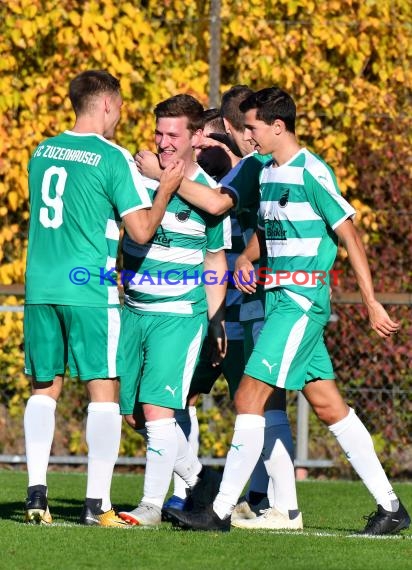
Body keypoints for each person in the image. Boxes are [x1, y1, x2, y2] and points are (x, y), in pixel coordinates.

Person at [166, 87, 411, 535]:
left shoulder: (312, 171)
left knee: (248, 396)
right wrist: (246, 257)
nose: (249, 136)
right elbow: (269, 225)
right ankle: (391, 507)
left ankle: (218, 511)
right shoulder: (269, 171)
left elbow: (349, 235)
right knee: (327, 404)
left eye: (254, 128)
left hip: (299, 303)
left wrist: (371, 300)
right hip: (280, 299)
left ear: (278, 127)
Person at [23, 70, 184, 527]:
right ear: (107, 105)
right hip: (90, 288)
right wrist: (166, 190)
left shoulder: (41, 151)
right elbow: (141, 230)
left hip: (39, 287)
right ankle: (98, 506)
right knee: (105, 393)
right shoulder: (111, 158)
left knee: (44, 389)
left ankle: (37, 497)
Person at [139, 87, 301, 529]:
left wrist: (164, 175)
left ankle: (266, 500)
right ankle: (195, 488)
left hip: (242, 307)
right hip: (216, 306)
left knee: (261, 402)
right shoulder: (241, 164)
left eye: (249, 129)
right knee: (172, 402)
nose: (248, 137)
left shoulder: (248, 167)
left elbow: (220, 204)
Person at [116, 94, 231, 526]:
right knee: (131, 413)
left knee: (159, 410)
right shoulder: (133, 173)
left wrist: (215, 318)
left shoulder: (209, 192)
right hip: (132, 311)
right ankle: (202, 479)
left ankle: (150, 506)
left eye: (173, 134)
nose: (164, 142)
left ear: (197, 136)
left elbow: (215, 260)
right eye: (159, 132)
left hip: (179, 315)